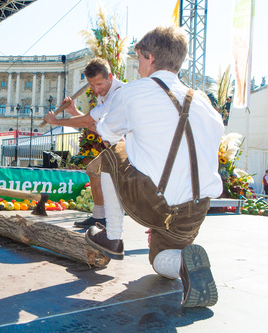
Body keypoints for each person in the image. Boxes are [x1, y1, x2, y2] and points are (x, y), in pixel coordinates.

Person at [85, 26, 223, 308]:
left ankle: (113, 237)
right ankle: (184, 264)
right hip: (196, 209)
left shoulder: (136, 91)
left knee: (112, 153)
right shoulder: (205, 103)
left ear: (149, 57)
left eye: (138, 62)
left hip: (155, 202)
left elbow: (109, 134)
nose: (137, 70)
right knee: (160, 259)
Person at [44, 58, 124, 229]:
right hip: (113, 146)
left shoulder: (118, 93)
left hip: (127, 148)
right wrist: (73, 111)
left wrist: (56, 121)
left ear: (110, 76)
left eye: (99, 84)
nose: (96, 89)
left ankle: (112, 224)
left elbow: (87, 121)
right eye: (91, 85)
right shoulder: (105, 93)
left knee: (121, 187)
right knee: (94, 170)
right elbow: (94, 125)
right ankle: (99, 217)